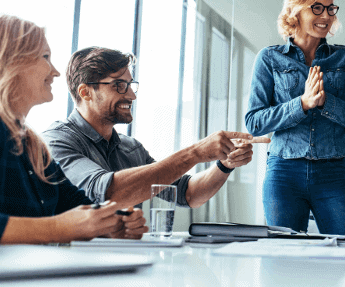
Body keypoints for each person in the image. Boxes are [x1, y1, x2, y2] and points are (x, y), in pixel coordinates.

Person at [42, 47, 270, 210]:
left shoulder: (131, 149)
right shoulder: (56, 142)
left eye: (131, 85)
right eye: (120, 86)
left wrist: (224, 165)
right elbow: (109, 194)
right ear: (85, 92)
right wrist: (196, 153)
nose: (131, 95)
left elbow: (188, 194)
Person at [0, 15, 147, 244]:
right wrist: (58, 228)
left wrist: (111, 223)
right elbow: (64, 223)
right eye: (45, 57)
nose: (55, 72)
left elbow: (76, 205)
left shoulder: (32, 147)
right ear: (12, 62)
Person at [245, 0, 345, 235]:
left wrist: (327, 102)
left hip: (332, 174)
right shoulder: (269, 58)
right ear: (295, 11)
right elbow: (254, 122)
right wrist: (302, 104)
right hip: (283, 173)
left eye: (330, 8)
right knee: (284, 260)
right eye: (316, 8)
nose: (326, 15)